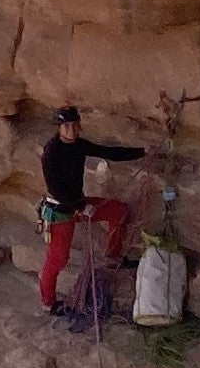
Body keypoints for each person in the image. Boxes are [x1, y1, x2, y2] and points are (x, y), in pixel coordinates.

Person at [38, 105, 145, 311]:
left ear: (79, 126)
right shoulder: (51, 152)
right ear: (59, 128)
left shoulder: (78, 145)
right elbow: (55, 188)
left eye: (74, 125)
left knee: (118, 211)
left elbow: (108, 152)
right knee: (57, 259)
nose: (71, 130)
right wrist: (80, 206)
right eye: (66, 126)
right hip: (60, 211)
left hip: (78, 204)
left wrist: (143, 152)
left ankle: (113, 258)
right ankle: (48, 303)